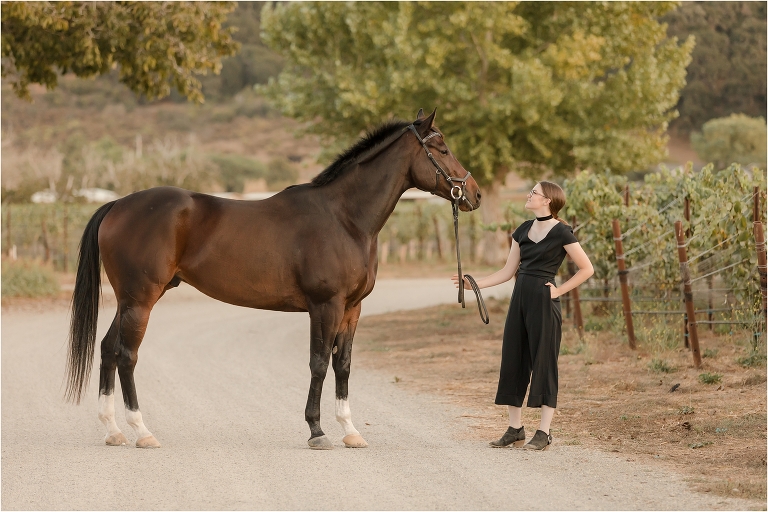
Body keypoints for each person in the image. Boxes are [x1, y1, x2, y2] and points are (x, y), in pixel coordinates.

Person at [452, 181, 593, 450]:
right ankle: (515, 429)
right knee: (513, 358)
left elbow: (587, 268)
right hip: (520, 300)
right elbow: (507, 272)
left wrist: (559, 290)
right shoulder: (523, 230)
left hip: (544, 300)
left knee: (544, 361)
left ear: (547, 200)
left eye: (534, 193)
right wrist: (475, 284)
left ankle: (544, 432)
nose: (529, 196)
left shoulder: (562, 232)